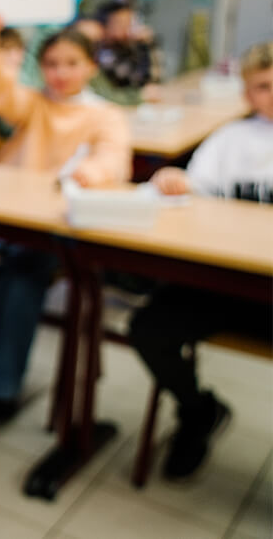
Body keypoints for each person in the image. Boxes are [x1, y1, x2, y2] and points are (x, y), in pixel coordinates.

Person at [0, 14, 131, 430]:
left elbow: (114, 158)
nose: (60, 73)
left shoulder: (105, 115)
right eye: (52, 63)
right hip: (2, 219)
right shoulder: (35, 103)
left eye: (71, 63)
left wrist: (93, 172)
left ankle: (1, 389)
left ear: (91, 66)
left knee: (16, 281)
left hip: (51, 229)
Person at [129, 42, 273, 479]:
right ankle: (197, 412)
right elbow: (193, 188)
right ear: (248, 95)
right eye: (264, 87)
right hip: (223, 285)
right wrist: (174, 180)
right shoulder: (230, 139)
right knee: (148, 329)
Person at [89, 0, 162, 105]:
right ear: (103, 26)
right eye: (121, 23)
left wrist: (149, 45)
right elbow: (109, 97)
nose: (128, 29)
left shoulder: (126, 47)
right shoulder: (99, 56)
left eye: (130, 23)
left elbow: (152, 79)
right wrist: (140, 96)